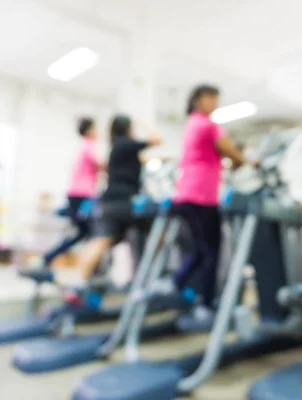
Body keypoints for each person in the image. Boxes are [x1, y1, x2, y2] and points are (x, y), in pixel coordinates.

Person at [54, 114, 162, 289]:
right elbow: (157, 139)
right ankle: (152, 277)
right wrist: (145, 123)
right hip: (121, 201)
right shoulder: (126, 144)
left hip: (107, 200)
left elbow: (139, 161)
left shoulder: (116, 148)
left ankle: (78, 278)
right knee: (154, 230)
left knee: (100, 239)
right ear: (128, 128)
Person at [171, 84, 247, 322]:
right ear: (197, 100)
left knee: (201, 248)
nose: (215, 103)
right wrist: (247, 161)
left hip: (185, 194)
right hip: (202, 196)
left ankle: (176, 283)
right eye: (212, 98)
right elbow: (231, 152)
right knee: (211, 251)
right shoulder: (207, 124)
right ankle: (206, 303)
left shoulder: (191, 124)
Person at [38, 118, 104, 268]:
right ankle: (52, 257)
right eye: (95, 128)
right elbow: (101, 165)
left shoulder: (83, 146)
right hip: (83, 195)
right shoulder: (89, 145)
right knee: (88, 232)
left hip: (77, 194)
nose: (98, 132)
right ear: (89, 131)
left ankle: (51, 257)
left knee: (84, 232)